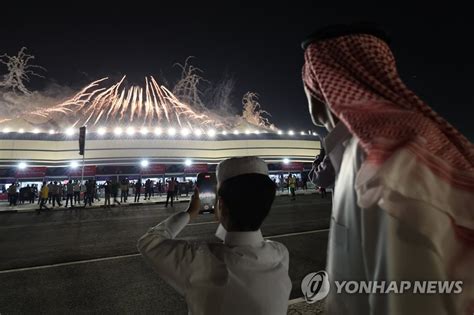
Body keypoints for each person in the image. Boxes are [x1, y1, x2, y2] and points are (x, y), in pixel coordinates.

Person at [302, 24, 474, 314]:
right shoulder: (354, 149)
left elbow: (406, 293)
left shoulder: (380, 151)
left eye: (307, 80)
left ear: (318, 84)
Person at [138, 156, 291, 314]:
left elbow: (148, 241)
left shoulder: (201, 262)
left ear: (222, 205)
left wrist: (190, 213)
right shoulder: (280, 255)